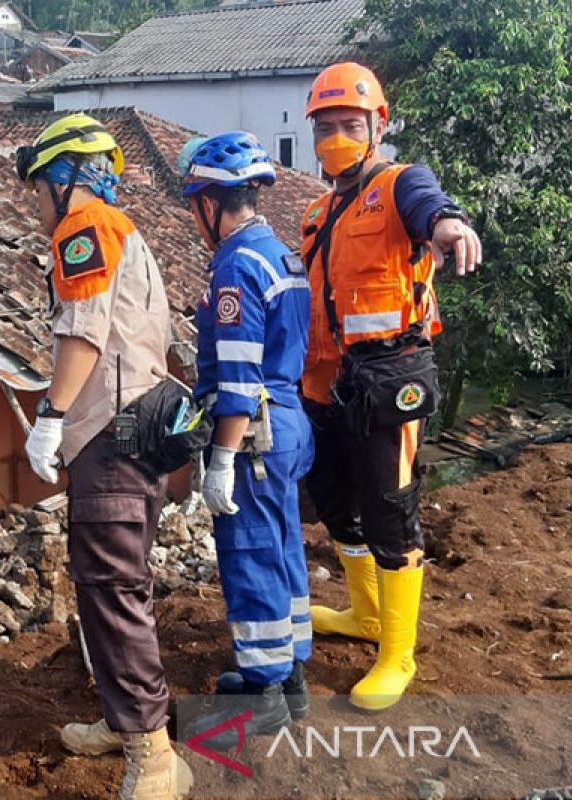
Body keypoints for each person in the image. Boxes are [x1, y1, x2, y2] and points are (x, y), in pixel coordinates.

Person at [15, 113, 192, 800]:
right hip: (138, 428)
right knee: (112, 586)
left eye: (38, 187)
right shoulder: (128, 234)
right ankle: (127, 723)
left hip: (110, 438)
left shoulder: (83, 231)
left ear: (64, 179)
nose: (35, 202)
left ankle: (152, 758)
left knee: (113, 593)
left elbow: (82, 335)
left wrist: (49, 416)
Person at [300, 62, 481, 710]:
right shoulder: (317, 213)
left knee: (388, 506)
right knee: (335, 500)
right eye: (325, 127)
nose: (336, 137)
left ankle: (397, 653)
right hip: (332, 379)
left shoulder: (401, 184)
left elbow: (430, 209)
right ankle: (364, 614)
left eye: (349, 124)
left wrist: (450, 226)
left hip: (394, 375)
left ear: (377, 127)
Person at [176, 132, 314, 749]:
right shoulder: (280, 255)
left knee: (252, 554)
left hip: (252, 435)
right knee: (284, 545)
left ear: (211, 201)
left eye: (194, 204)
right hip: (287, 423)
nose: (194, 217)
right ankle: (291, 678)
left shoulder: (235, 266)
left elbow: (236, 375)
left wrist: (222, 459)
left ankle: (262, 698)